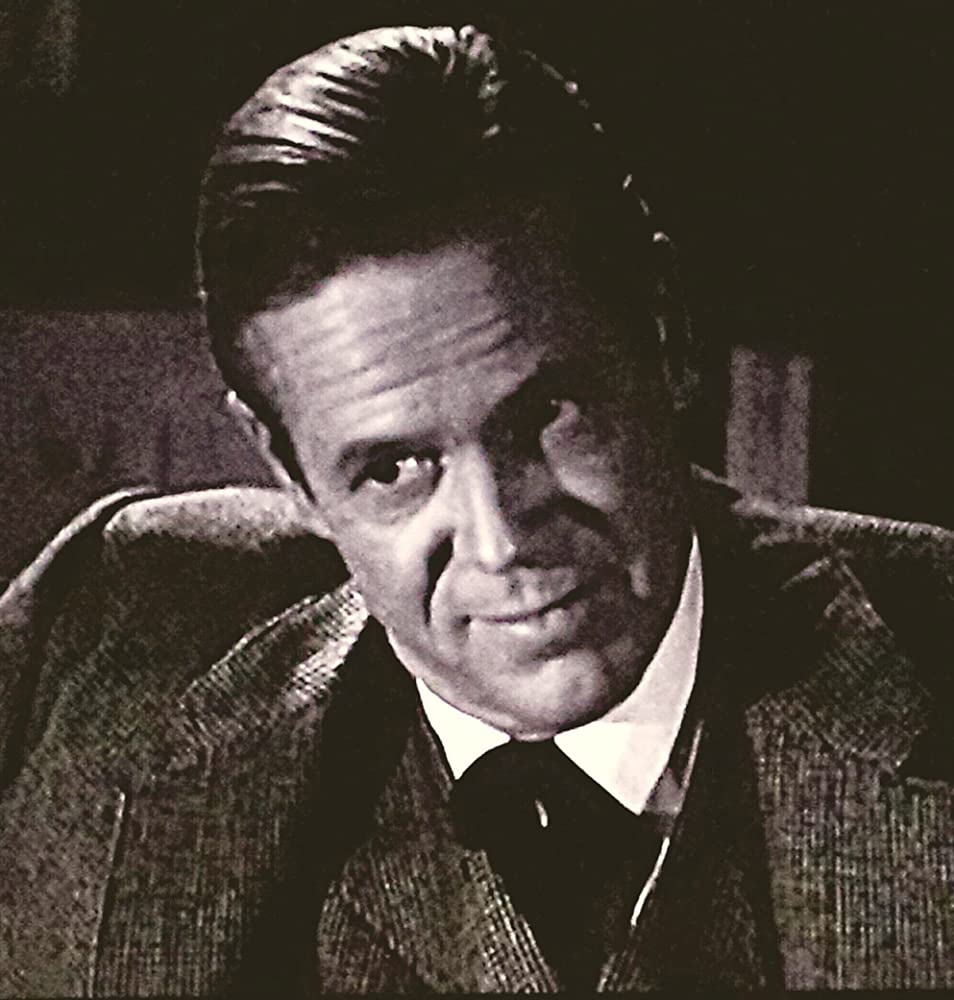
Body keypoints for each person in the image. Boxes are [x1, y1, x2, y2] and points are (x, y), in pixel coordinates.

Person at [0, 24, 951, 996]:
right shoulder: (97, 646)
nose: (501, 542)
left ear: (664, 335)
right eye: (393, 468)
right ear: (287, 468)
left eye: (546, 416)